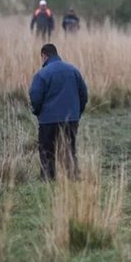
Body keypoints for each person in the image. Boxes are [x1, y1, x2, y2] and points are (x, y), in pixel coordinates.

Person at [29, 43, 88, 180]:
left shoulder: (42, 74)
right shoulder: (73, 70)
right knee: (69, 151)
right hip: (71, 120)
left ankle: (48, 181)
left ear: (44, 56)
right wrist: (77, 114)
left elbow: (35, 97)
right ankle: (73, 180)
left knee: (47, 152)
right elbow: (84, 94)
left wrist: (37, 112)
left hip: (48, 121)